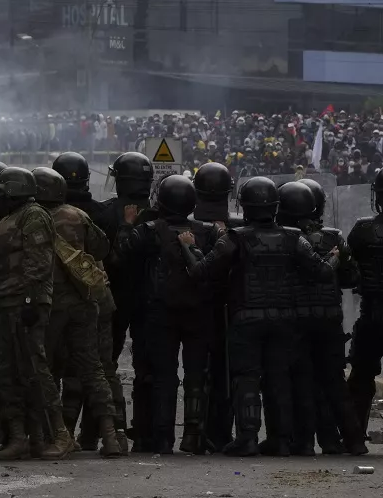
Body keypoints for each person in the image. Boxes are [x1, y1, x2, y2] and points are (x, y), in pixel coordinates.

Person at [179, 177, 338, 456]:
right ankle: (281, 439)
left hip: (246, 318)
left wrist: (187, 247)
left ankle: (248, 437)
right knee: (279, 377)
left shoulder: (235, 238)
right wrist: (338, 256)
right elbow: (323, 271)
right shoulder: (293, 237)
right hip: (285, 320)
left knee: (246, 377)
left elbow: (200, 271)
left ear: (246, 206)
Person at [118, 175, 216, 454]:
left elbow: (123, 255)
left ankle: (163, 438)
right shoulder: (206, 232)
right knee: (197, 375)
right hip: (198, 312)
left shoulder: (149, 231)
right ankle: (193, 436)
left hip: (161, 312)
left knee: (164, 377)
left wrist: (127, 224)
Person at [34, 166, 121, 458]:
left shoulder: (32, 218)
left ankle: (56, 434)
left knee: (46, 369)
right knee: (93, 368)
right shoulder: (78, 216)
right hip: (85, 302)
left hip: (50, 305)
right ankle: (111, 436)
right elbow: (101, 247)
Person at [275, 181, 367, 457]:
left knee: (301, 381)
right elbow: (351, 278)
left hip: (295, 318)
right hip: (328, 317)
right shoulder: (335, 237)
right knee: (334, 382)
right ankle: (349, 440)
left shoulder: (282, 236)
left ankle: (303, 443)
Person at [51, 151, 128, 453]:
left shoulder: (40, 216)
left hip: (57, 303)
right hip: (97, 298)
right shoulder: (101, 213)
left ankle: (63, 434)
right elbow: (105, 250)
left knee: (60, 371)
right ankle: (113, 434)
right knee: (100, 369)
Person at [0, 167, 63, 460]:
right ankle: (18, 436)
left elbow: (38, 262)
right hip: (3, 303)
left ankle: (43, 436)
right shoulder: (9, 219)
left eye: (2, 192)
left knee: (31, 372)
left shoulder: (34, 215)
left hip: (22, 303)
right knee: (2, 373)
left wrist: (30, 300)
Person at [98, 152, 155, 451]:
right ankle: (146, 430)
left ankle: (103, 429)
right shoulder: (159, 214)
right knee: (149, 368)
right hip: (149, 300)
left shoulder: (105, 213)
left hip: (115, 297)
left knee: (105, 365)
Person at [190, 162, 241, 453]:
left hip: (200, 306)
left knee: (200, 372)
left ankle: (198, 433)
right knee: (228, 373)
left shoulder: (188, 226)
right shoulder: (240, 227)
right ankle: (220, 432)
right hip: (232, 307)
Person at [345, 168, 383, 440]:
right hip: (372, 311)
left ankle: (355, 436)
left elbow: (349, 267)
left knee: (361, 377)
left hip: (373, 313)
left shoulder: (363, 229)